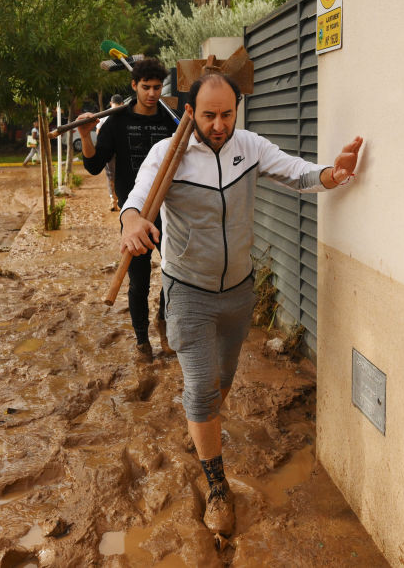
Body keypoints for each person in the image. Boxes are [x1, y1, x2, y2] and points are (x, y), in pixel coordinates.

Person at [119, 72, 363, 538]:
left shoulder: (249, 147)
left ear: (237, 111)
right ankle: (217, 486)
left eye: (227, 114)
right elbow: (137, 200)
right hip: (187, 290)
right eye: (208, 115)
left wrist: (333, 174)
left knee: (222, 380)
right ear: (190, 112)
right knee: (201, 388)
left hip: (237, 291)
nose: (218, 125)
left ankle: (202, 424)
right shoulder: (167, 154)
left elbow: (297, 172)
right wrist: (131, 223)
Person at [75, 58, 178, 362]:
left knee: (174, 272)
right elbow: (94, 165)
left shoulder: (170, 120)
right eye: (146, 87)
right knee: (139, 280)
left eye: (157, 87)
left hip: (170, 210)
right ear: (134, 86)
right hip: (133, 214)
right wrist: (85, 135)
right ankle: (142, 341)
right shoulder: (117, 121)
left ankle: (165, 323)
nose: (152, 93)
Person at [96, 94, 124, 212]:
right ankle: (124, 202)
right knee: (124, 174)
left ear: (111, 103)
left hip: (109, 152)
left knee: (110, 176)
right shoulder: (125, 114)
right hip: (123, 151)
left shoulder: (104, 116)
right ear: (122, 103)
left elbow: (98, 133)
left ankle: (113, 201)